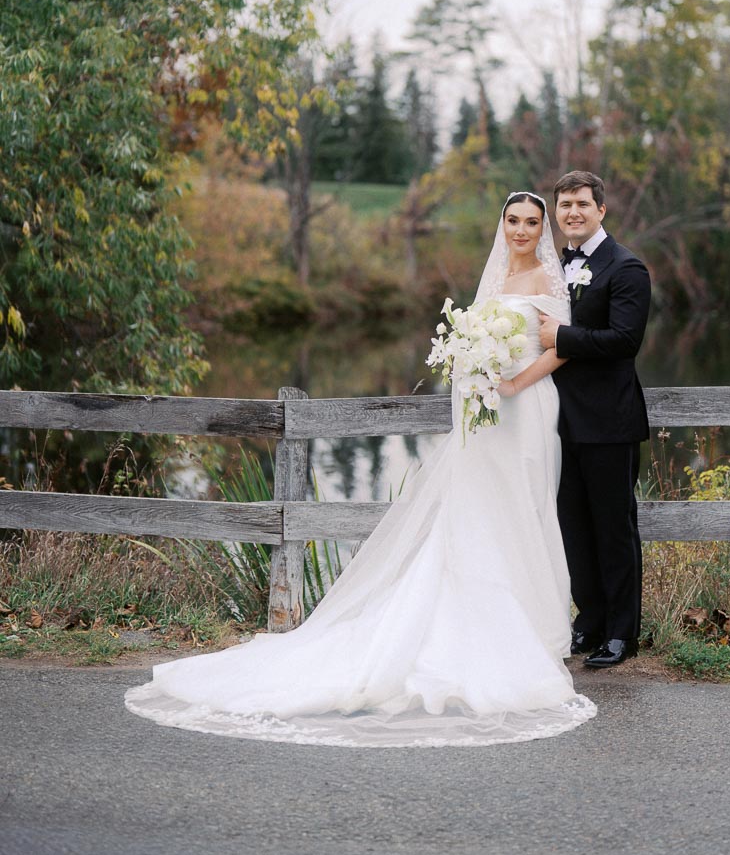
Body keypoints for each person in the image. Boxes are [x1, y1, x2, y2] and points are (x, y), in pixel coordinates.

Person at [125, 192, 596, 747]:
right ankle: (476, 622)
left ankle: (530, 628)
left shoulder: (547, 277)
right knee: (477, 509)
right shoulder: (491, 281)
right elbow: (474, 344)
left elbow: (559, 347)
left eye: (530, 223)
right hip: (487, 412)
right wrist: (471, 369)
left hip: (528, 408)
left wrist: (515, 382)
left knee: (525, 505)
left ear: (542, 229)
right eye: (513, 221)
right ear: (503, 225)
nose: (520, 230)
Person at [538, 171, 651, 669]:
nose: (573, 213)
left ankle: (623, 633)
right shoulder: (551, 267)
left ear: (601, 210)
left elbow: (624, 342)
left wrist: (562, 338)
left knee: (613, 528)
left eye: (582, 204)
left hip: (609, 423)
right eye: (564, 205)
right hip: (557, 423)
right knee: (572, 528)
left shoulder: (627, 268)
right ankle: (590, 621)